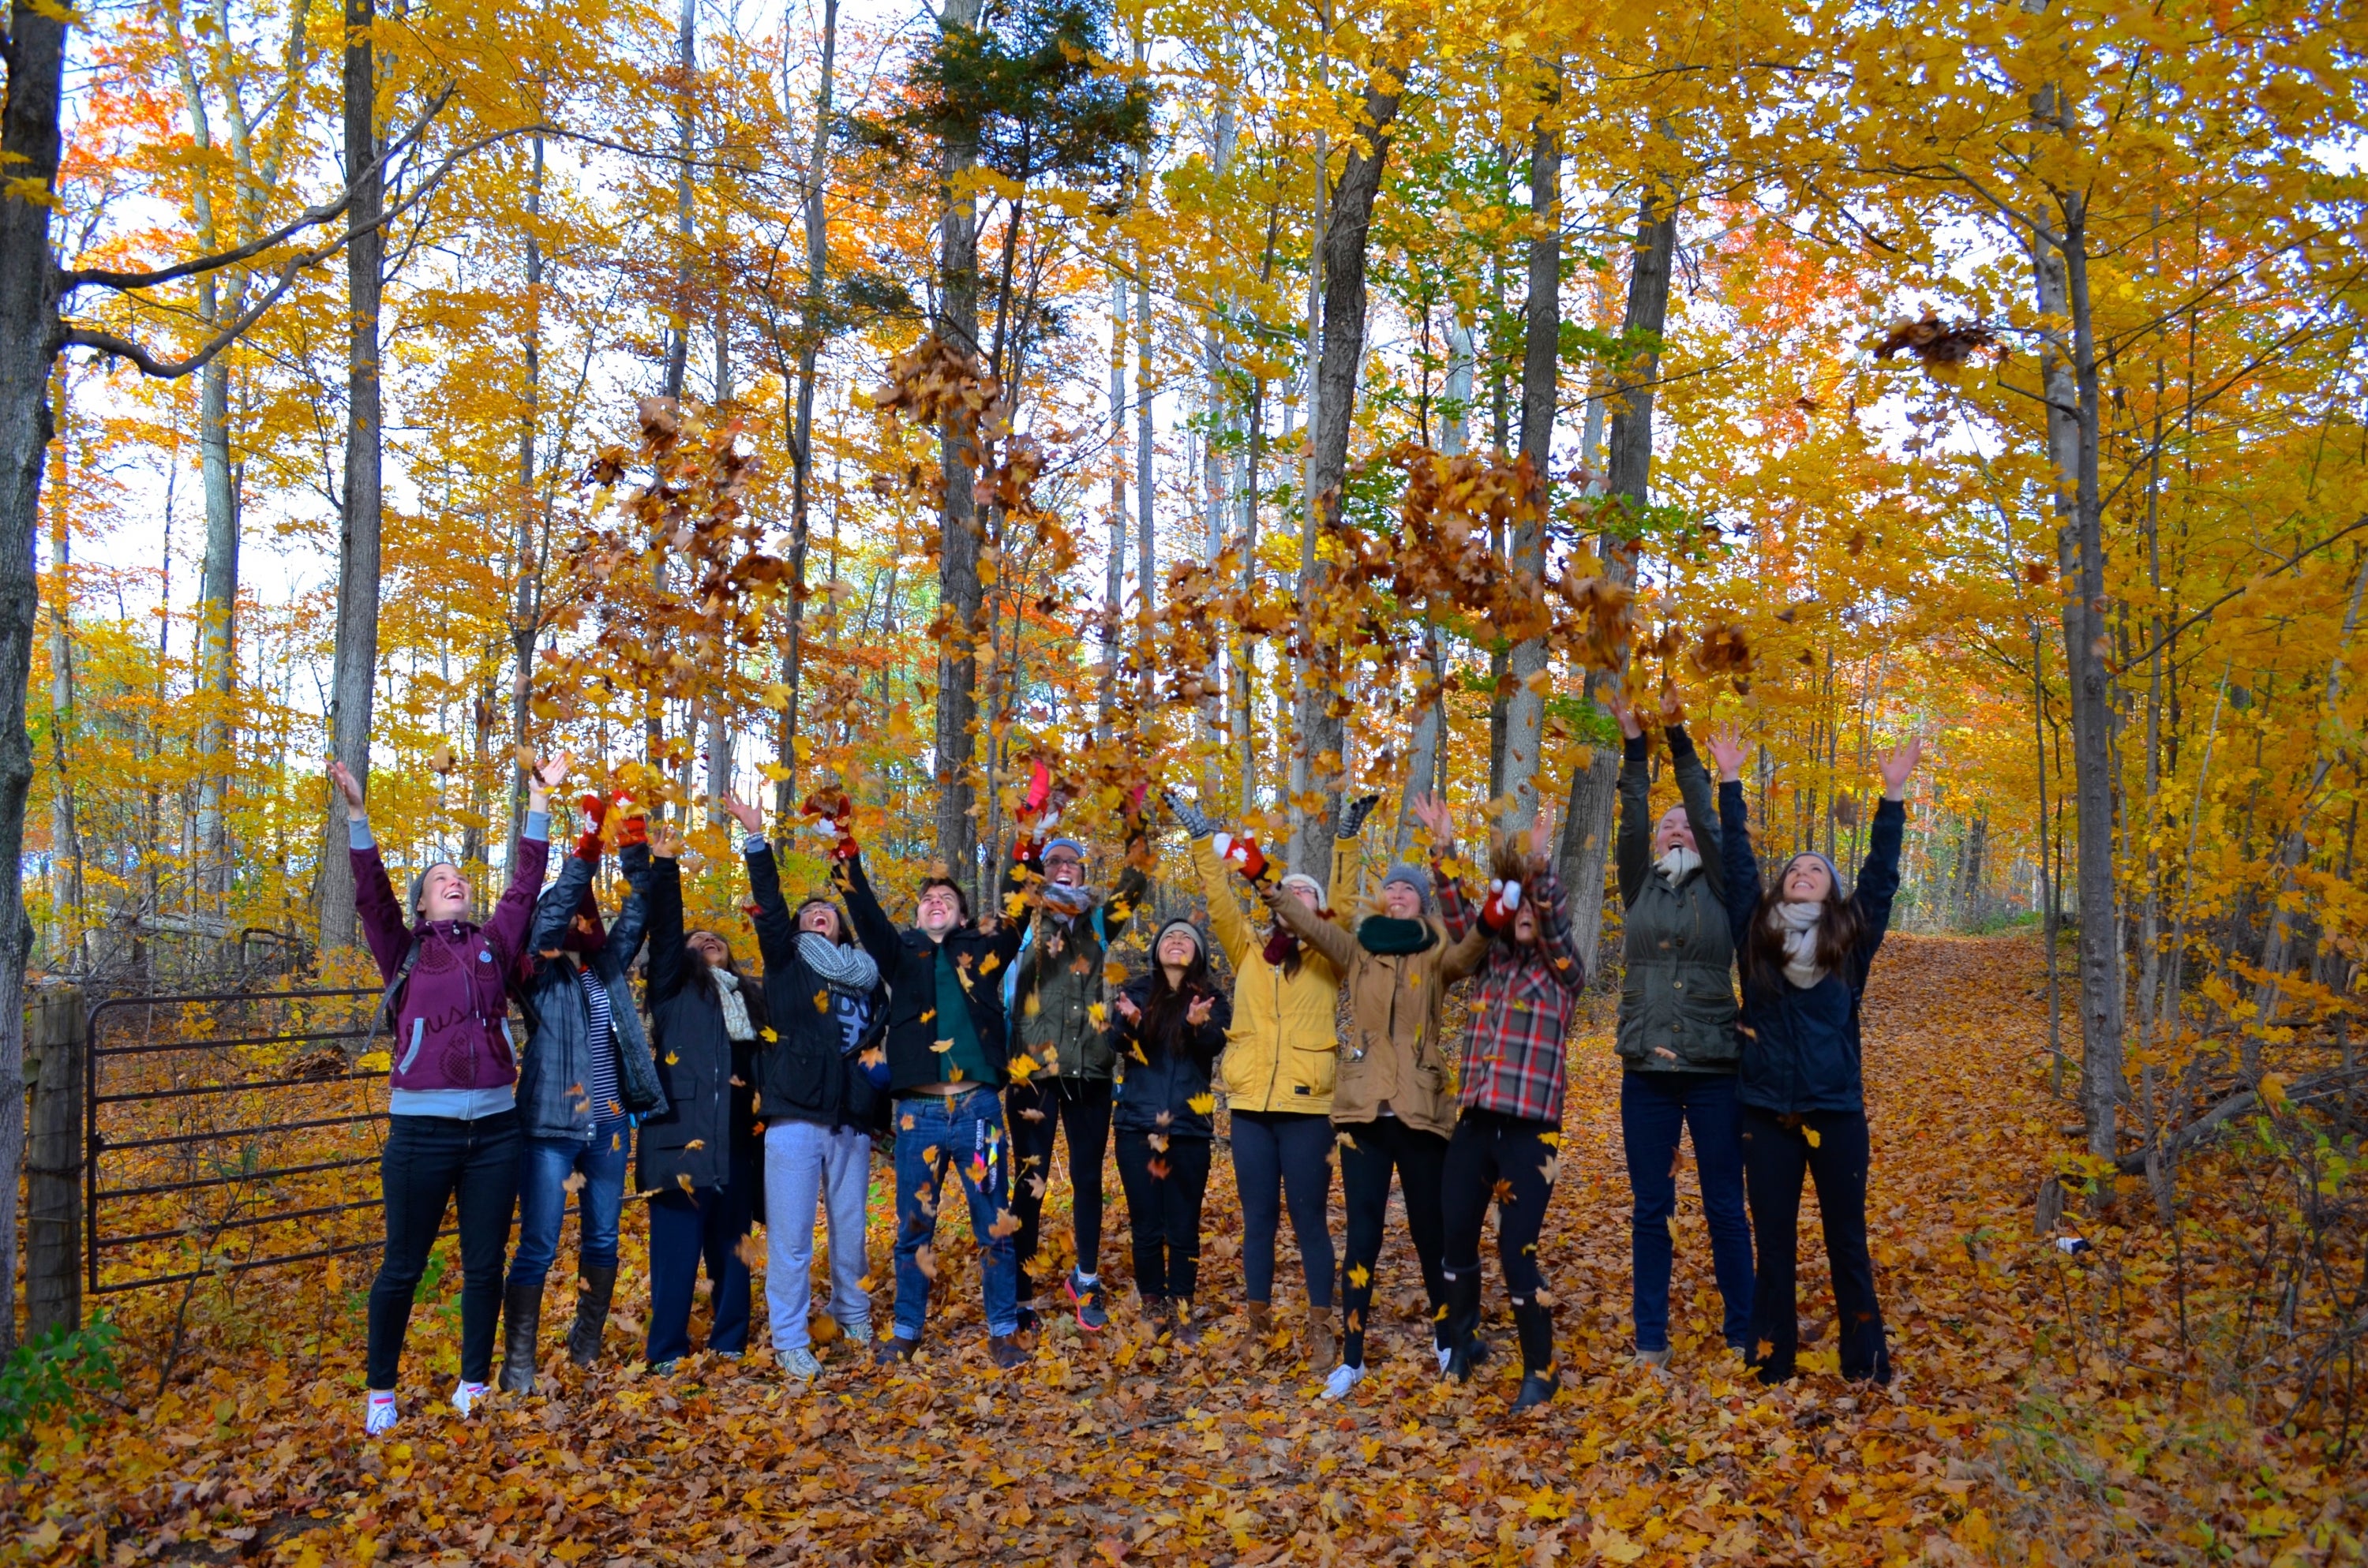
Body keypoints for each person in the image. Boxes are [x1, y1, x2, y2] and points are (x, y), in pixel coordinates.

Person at [332, 750, 564, 1435]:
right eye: (440, 879)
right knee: (404, 1262)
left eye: (459, 876)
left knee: (485, 1261)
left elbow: (525, 886)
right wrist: (357, 814)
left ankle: (472, 1381)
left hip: (495, 1133)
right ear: (424, 902)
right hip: (421, 1135)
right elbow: (370, 889)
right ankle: (381, 1390)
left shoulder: (494, 943)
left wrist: (541, 802)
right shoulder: (401, 950)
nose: (453, 881)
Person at [1707, 724, 1920, 1387]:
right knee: (1773, 1244)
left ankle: (1866, 1361)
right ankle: (1774, 1360)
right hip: (1765, 1110)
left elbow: (1879, 881)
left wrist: (1892, 796)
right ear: (1782, 887)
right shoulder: (1754, 935)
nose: (1804, 874)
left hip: (1835, 1109)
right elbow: (1739, 865)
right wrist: (1731, 784)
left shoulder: (1850, 941)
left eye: (1816, 870)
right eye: (1795, 869)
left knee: (1847, 1242)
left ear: (1829, 891)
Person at [1261, 840, 1484, 1400]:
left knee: (1431, 1234)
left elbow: (1471, 950)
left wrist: (1489, 897)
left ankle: (1445, 1340)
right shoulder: (1359, 946)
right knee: (1362, 1237)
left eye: (1409, 887)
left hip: (1421, 1107)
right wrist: (1274, 893)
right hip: (1364, 1110)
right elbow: (1314, 927)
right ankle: (1353, 1357)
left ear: (1423, 900)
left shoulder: (1437, 949)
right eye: (1392, 886)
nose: (1399, 892)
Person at [1167, 788, 1370, 1365]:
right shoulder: (1251, 952)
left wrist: (1348, 839)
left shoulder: (1332, 957)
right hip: (1253, 1103)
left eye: (1308, 895)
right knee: (1257, 1219)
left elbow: (1348, 906)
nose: (1297, 901)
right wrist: (1204, 837)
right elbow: (1219, 897)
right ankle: (1258, 1325)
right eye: (1290, 894)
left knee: (1308, 1219)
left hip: (1308, 1107)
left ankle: (1321, 1326)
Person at [827, 793, 1030, 1368]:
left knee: (995, 1223)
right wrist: (845, 846)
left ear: (963, 917)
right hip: (917, 1116)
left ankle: (1002, 1329)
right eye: (927, 898)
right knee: (914, 1228)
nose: (935, 901)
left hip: (979, 1112)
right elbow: (863, 909)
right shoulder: (900, 953)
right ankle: (907, 1330)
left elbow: (1020, 906)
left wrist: (1028, 835)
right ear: (918, 915)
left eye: (947, 898)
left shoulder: (985, 951)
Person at [1423, 795, 1587, 1413]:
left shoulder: (1563, 974)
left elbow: (1553, 923)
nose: (1524, 912)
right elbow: (1465, 922)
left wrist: (1538, 871)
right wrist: (1444, 851)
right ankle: (1463, 1343)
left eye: (1533, 904)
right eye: (1514, 901)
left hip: (1530, 1132)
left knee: (1517, 1245)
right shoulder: (1489, 967)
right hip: (1475, 1124)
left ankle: (1539, 1369)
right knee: (1456, 1235)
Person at [500, 793, 668, 1394]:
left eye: (587, 913)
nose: (581, 919)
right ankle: (517, 1361)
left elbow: (640, 907)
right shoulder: (539, 971)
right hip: (549, 1128)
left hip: (609, 1127)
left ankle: (585, 1344)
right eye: (575, 911)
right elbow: (550, 918)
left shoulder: (607, 966)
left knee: (602, 1235)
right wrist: (585, 847)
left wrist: (631, 844)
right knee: (540, 1242)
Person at [1610, 694, 1754, 1371]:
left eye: (1684, 827)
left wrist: (1678, 737)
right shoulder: (1637, 883)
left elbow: (1710, 815)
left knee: (1727, 1204)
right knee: (1650, 1208)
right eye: (1668, 825)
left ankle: (1742, 1331)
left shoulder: (1725, 889)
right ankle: (1650, 1341)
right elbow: (1632, 815)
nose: (1675, 830)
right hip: (1646, 1071)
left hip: (1715, 1068)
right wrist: (1636, 749)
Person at [725, 792, 886, 1379]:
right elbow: (768, 906)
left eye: (829, 912)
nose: (821, 914)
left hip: (850, 1116)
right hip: (794, 1114)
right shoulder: (787, 961)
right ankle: (791, 1336)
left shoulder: (868, 979)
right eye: (811, 912)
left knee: (851, 1232)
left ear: (842, 926)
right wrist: (756, 838)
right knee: (792, 1238)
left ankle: (853, 1314)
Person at [1004, 770, 1150, 1333]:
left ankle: (1084, 1279)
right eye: (1056, 863)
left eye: (1074, 864)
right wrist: (1039, 806)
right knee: (1030, 1177)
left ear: (1085, 875)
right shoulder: (1025, 917)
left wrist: (1135, 814)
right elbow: (1018, 866)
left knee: (1089, 1177)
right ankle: (1017, 1288)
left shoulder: (1097, 921)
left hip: (1090, 1069)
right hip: (1032, 1070)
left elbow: (1137, 881)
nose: (1064, 870)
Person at [639, 821, 762, 1372]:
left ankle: (729, 1339)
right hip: (678, 1141)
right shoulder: (671, 991)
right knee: (675, 1254)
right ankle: (666, 1350)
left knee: (734, 1248)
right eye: (699, 940)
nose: (709, 942)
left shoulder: (752, 1000)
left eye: (718, 940)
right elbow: (665, 933)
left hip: (738, 1140)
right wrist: (664, 867)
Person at [1108, 919, 1231, 1344]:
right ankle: (1153, 1305)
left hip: (1189, 1129)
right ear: (1157, 948)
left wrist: (1197, 1023)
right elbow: (1117, 1044)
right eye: (1169, 937)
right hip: (1136, 1126)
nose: (1176, 941)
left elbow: (1213, 1045)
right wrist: (1132, 1023)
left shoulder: (1213, 998)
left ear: (1197, 952)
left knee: (1183, 1225)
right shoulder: (1135, 992)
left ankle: (1182, 1307)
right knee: (1146, 1225)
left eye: (1186, 938)